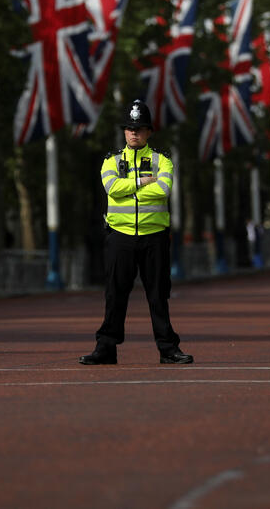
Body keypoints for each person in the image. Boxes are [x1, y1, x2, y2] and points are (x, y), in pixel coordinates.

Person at [79, 100, 193, 365]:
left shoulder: (161, 159)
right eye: (129, 128)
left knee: (158, 294)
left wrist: (127, 186)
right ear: (124, 131)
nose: (133, 133)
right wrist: (142, 181)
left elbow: (163, 189)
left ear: (149, 132)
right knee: (114, 293)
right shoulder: (111, 160)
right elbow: (111, 188)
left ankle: (168, 349)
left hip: (155, 236)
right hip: (120, 236)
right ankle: (106, 348)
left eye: (139, 128)